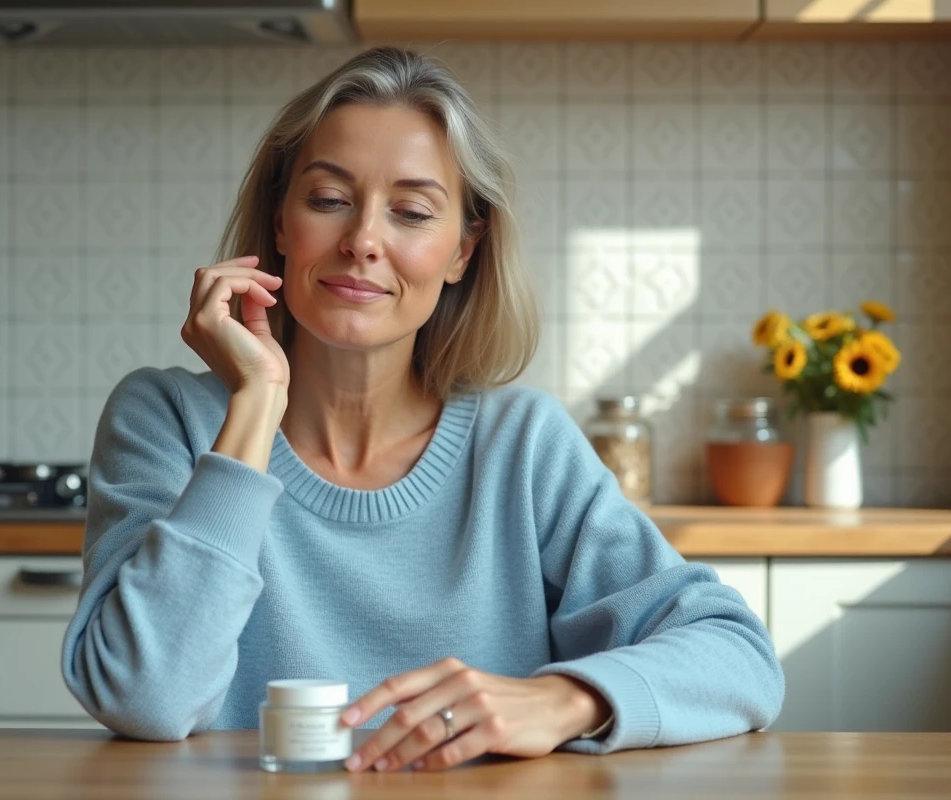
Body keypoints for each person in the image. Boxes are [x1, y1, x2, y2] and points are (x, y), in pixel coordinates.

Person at [61, 45, 784, 772]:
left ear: (463, 251)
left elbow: (740, 658)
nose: (363, 241)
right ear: (282, 224)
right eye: (328, 200)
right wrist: (254, 408)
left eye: (410, 212)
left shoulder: (521, 446)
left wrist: (564, 700)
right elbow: (144, 699)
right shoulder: (165, 419)